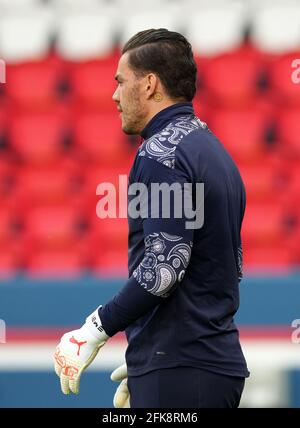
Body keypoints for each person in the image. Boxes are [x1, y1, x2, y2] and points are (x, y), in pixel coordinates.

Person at [54, 28, 250, 408]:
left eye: (120, 82)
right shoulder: (215, 153)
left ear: (149, 85)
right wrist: (145, 356)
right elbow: (223, 268)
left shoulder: (161, 153)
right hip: (208, 364)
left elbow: (162, 270)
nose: (114, 95)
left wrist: (92, 331)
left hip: (181, 367)